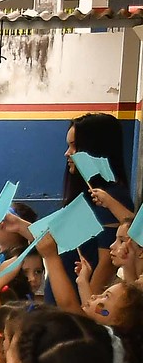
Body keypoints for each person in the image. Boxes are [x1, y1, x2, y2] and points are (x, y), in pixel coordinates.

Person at [65, 111, 133, 283]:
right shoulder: (89, 196)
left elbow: (106, 265)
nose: (68, 153)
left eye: (74, 147)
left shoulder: (110, 198)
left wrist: (90, 303)